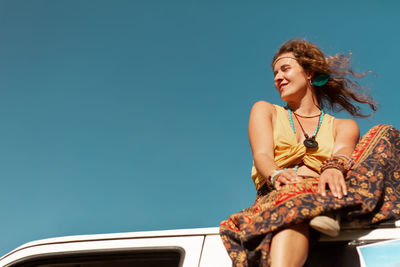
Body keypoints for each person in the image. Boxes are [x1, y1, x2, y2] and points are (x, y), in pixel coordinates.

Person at [220, 39, 400, 267]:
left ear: (309, 73)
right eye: (275, 73)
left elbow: (344, 151)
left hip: (329, 189)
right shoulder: (265, 110)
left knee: (385, 133)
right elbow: (262, 155)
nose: (277, 78)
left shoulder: (342, 126)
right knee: (293, 208)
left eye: (285, 69)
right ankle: (322, 212)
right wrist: (276, 175)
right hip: (280, 194)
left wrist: (335, 166)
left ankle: (331, 206)